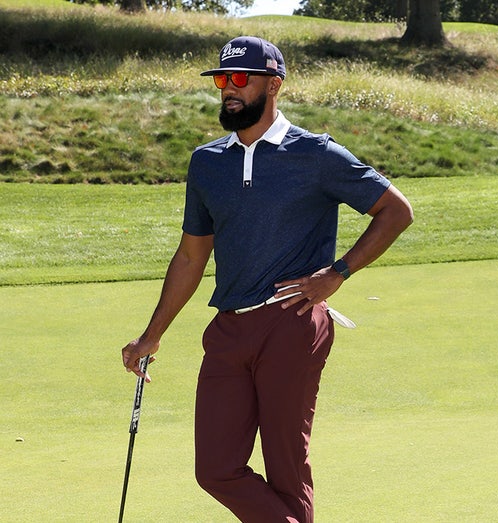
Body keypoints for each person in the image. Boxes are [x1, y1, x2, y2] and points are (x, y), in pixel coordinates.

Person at [120, 36, 413, 523]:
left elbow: (395, 211)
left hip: (292, 324)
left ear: (273, 84)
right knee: (215, 468)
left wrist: (337, 273)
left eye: (240, 79)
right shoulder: (207, 162)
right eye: (221, 80)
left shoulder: (316, 154)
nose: (228, 90)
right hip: (229, 328)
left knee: (286, 468)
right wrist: (153, 334)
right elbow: (192, 256)